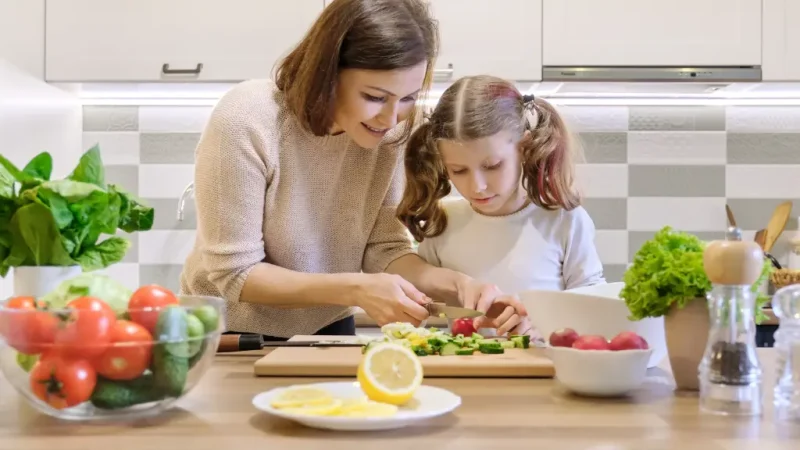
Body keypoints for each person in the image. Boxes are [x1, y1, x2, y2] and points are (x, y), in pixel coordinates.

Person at [179, 0, 527, 340]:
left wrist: (460, 285)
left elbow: (385, 249)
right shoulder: (247, 119)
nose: (391, 118)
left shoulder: (393, 134)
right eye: (375, 97)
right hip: (230, 334)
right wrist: (357, 288)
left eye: (407, 98)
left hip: (328, 328)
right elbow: (235, 273)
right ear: (327, 73)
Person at [397, 75, 606, 335]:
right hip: (465, 370)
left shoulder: (564, 220)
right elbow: (423, 302)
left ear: (525, 148)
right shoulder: (443, 221)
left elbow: (595, 307)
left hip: (544, 367)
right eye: (459, 170)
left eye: (492, 166)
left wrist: (541, 322)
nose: (477, 186)